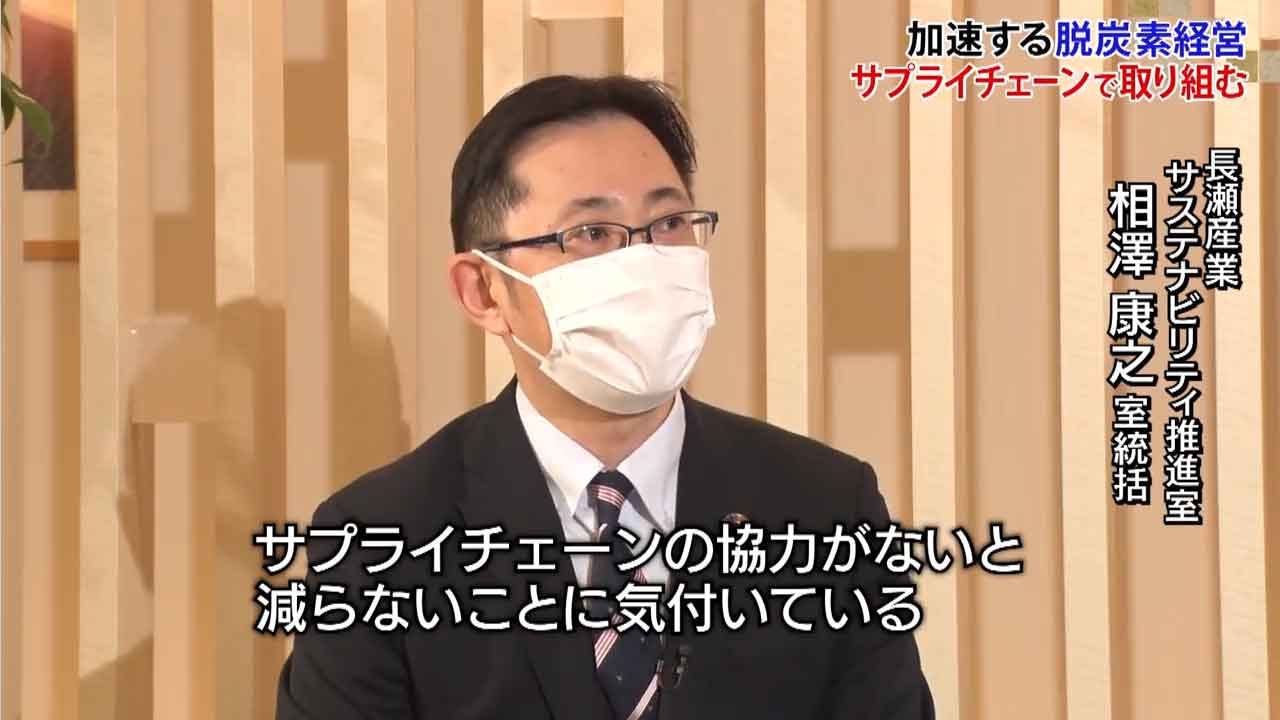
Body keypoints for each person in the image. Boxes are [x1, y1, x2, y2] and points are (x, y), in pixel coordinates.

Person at [276, 74, 935, 719]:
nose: (644, 260)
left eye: (669, 222)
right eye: (591, 233)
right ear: (483, 290)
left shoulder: (827, 505)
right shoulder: (379, 541)